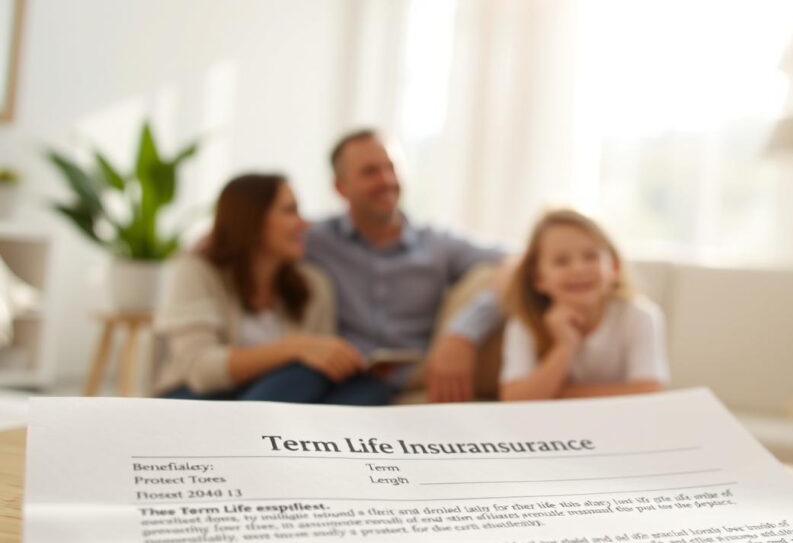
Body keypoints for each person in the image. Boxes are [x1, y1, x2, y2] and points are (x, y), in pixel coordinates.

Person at [305, 129, 506, 404]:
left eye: (392, 168)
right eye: (370, 171)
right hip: (330, 371)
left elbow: (519, 262)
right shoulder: (316, 240)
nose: (387, 180)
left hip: (391, 382)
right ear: (340, 187)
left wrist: (462, 333)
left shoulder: (438, 244)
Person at [154, 173, 387, 404]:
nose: (304, 223)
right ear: (251, 219)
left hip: (279, 392)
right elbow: (201, 371)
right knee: (302, 374)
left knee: (369, 388)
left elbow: (318, 368)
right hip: (200, 397)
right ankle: (255, 429)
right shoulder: (197, 270)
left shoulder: (315, 284)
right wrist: (292, 348)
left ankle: (258, 429)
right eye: (289, 211)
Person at [499, 209, 669, 401]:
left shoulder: (639, 316)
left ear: (614, 267)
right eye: (561, 261)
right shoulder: (524, 323)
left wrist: (560, 393)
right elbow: (513, 398)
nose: (578, 269)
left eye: (591, 256)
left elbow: (649, 392)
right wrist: (564, 347)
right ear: (538, 278)